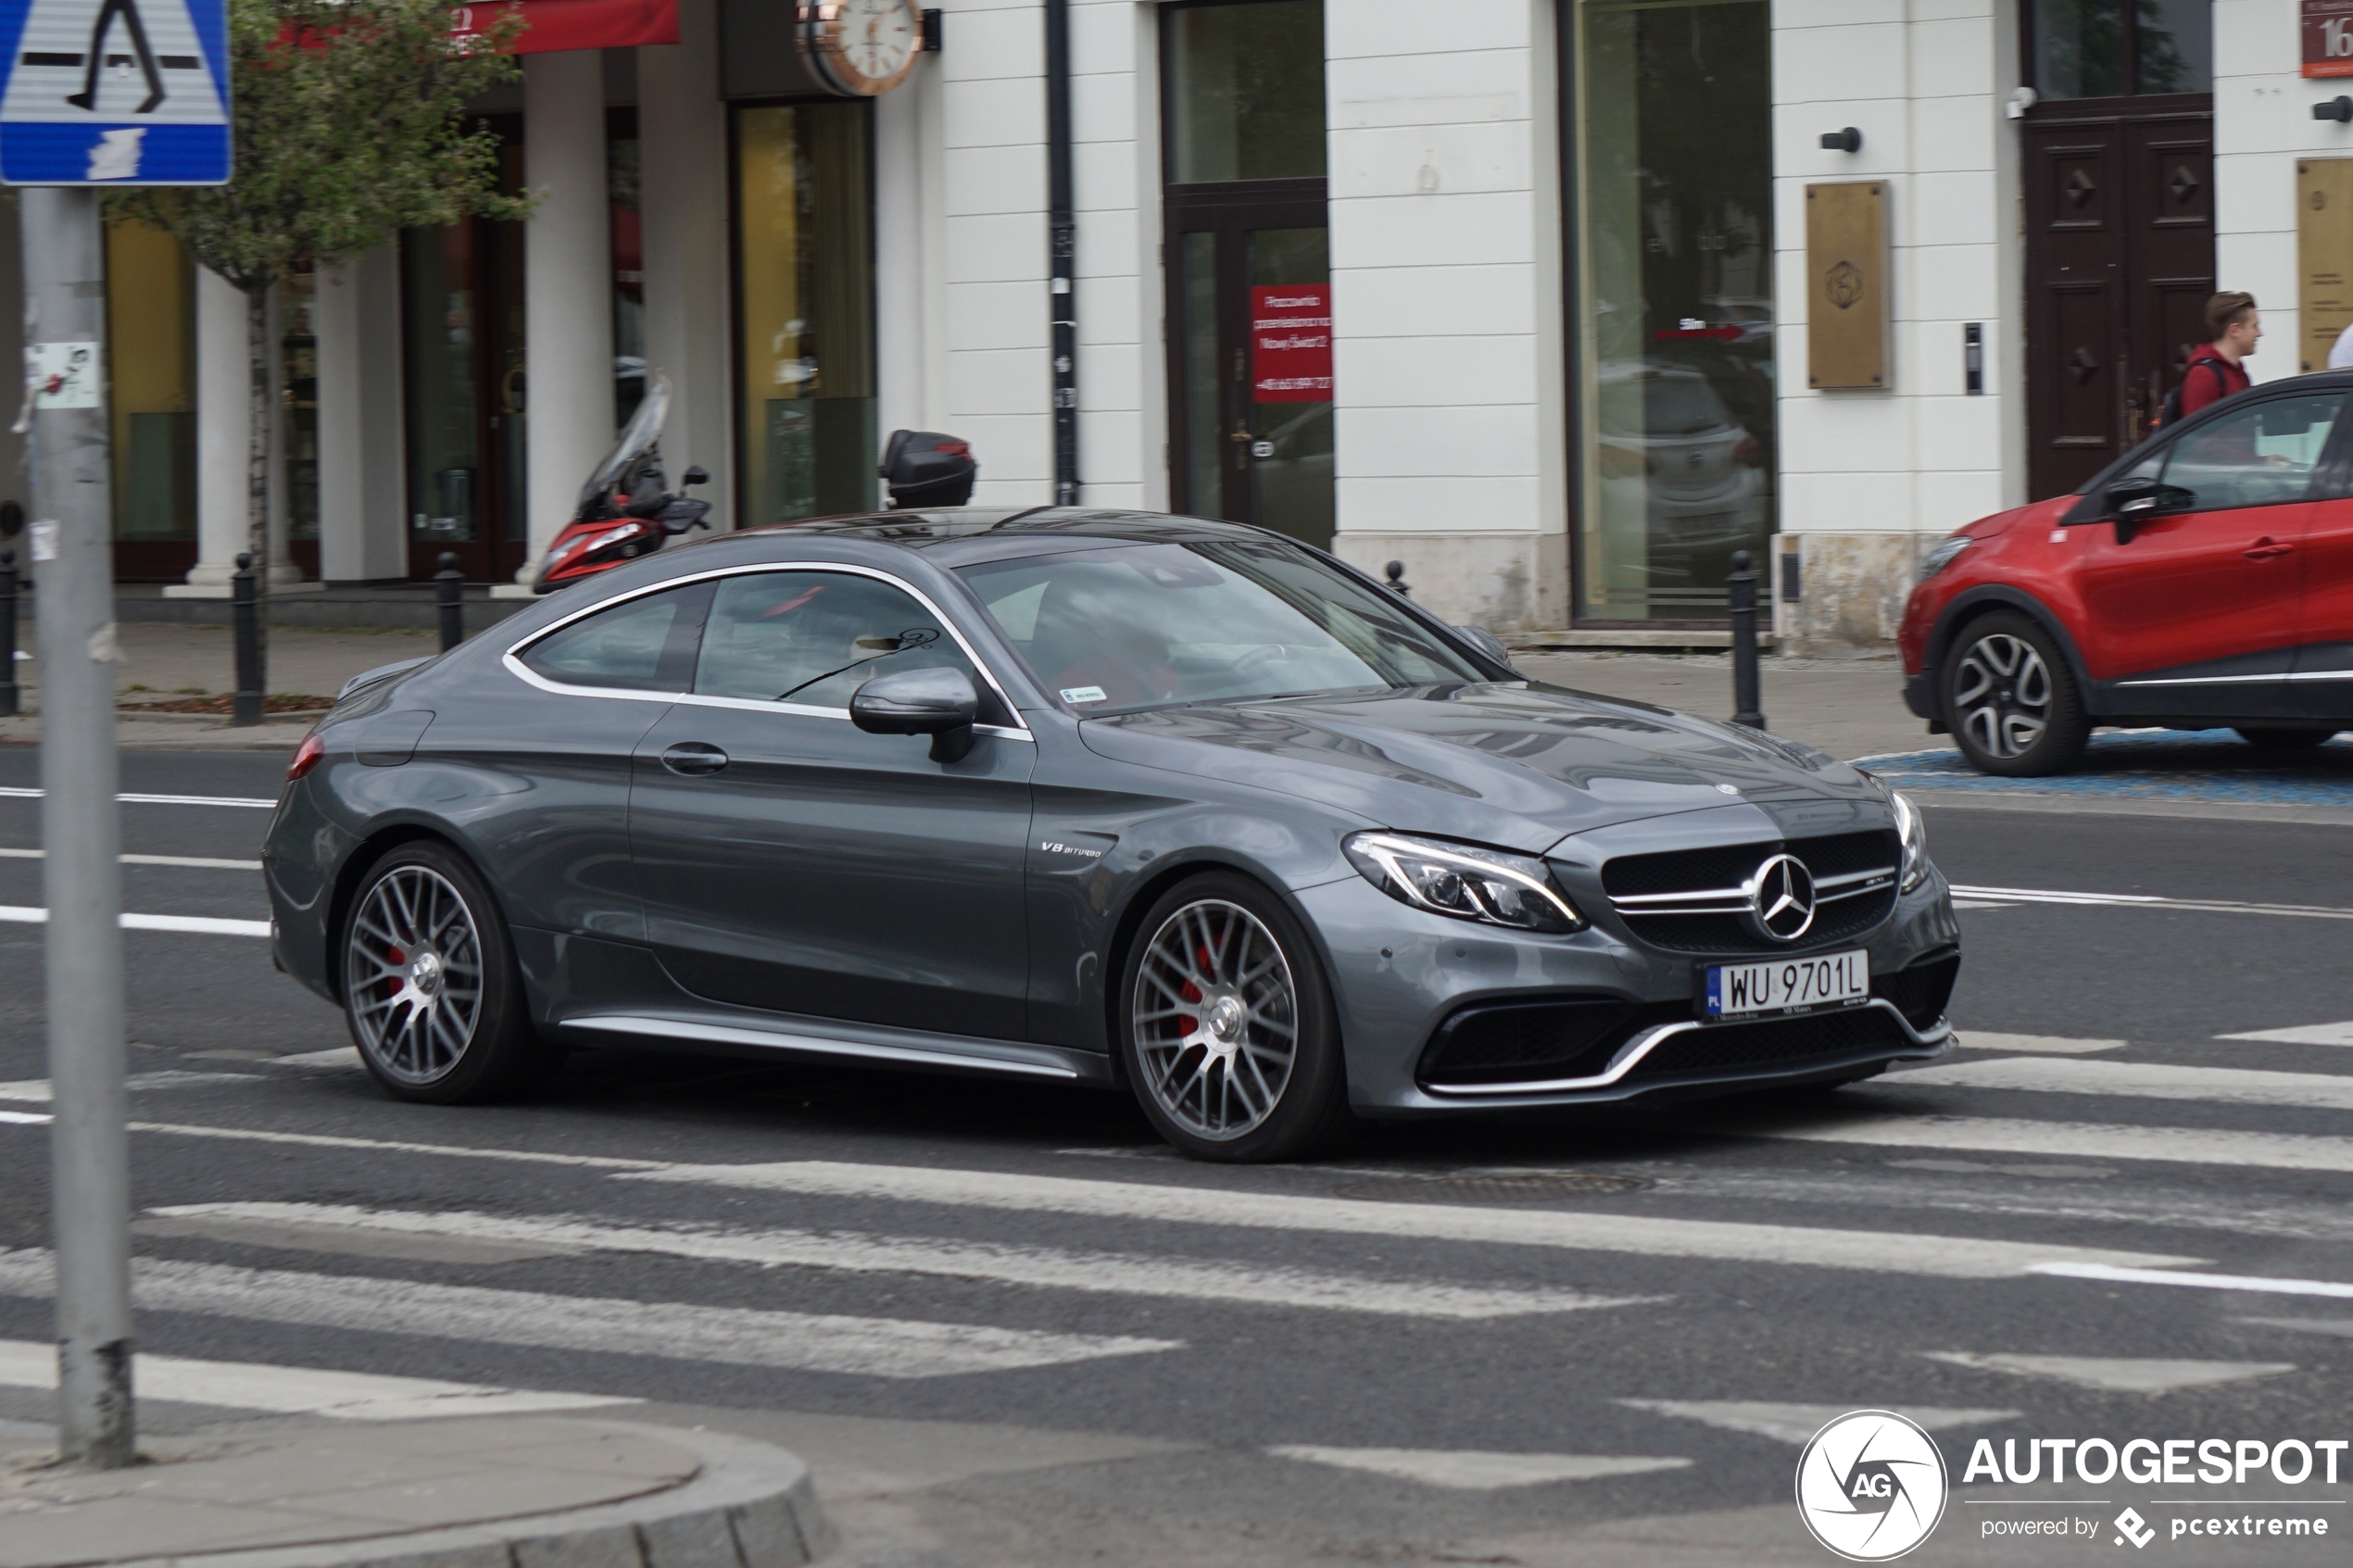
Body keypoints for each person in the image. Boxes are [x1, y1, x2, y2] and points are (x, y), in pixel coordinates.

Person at [2179, 292, 2259, 419]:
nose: (2259, 333)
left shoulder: (2237, 372)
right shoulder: (2203, 376)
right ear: (2235, 331)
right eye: (2254, 326)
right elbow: (2196, 434)